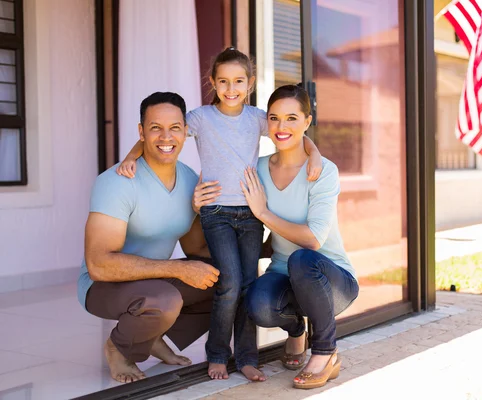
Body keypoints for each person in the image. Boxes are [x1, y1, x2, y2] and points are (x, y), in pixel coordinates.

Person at [115, 48, 323, 381]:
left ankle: (247, 357)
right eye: (223, 81)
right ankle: (217, 354)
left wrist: (314, 156)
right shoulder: (199, 118)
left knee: (249, 285)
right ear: (212, 82)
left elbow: (297, 134)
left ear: (250, 83)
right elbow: (165, 130)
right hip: (216, 212)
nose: (230, 88)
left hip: (251, 214)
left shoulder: (257, 117)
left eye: (239, 81)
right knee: (228, 283)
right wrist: (131, 156)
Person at [196, 84, 359, 389]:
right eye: (274, 118)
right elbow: (227, 209)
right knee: (256, 303)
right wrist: (199, 202)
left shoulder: (322, 171)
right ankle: (296, 330)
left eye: (292, 118)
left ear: (307, 122)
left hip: (330, 278)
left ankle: (326, 351)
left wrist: (264, 214)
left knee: (302, 258)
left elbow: (312, 240)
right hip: (284, 274)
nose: (282, 127)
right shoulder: (256, 170)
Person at [77, 92, 220, 384]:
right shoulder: (117, 183)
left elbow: (195, 248)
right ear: (141, 132)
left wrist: (247, 254)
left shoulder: (190, 179)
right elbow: (99, 265)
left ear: (185, 132)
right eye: (155, 127)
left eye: (174, 127)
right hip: (103, 285)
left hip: (152, 282)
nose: (166, 136)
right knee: (162, 300)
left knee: (226, 280)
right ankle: (119, 347)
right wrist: (177, 269)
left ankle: (147, 335)